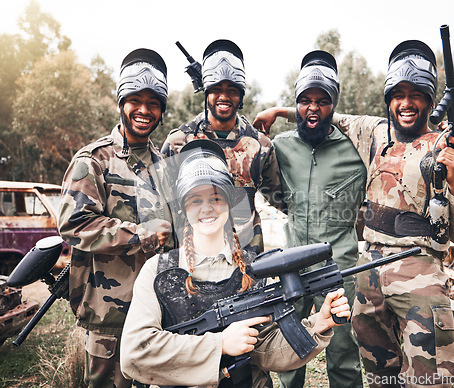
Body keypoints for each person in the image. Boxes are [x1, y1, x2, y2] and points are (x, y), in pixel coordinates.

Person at [254, 40, 454, 388]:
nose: (406, 103)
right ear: (388, 98)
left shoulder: (449, 150)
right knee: (378, 375)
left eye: (416, 93)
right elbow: (322, 111)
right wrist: (279, 111)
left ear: (431, 99)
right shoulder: (372, 132)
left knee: (431, 378)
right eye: (398, 94)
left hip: (419, 274)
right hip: (368, 276)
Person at [120, 139, 351, 387]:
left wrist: (319, 324)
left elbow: (267, 349)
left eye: (216, 198)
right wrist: (219, 345)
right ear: (183, 208)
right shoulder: (158, 271)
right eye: (195, 200)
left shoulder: (254, 269)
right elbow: (134, 353)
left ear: (230, 204)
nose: (207, 208)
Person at [58, 48, 175, 388]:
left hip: (157, 310)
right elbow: (73, 224)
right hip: (110, 316)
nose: (144, 110)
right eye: (135, 100)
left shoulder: (164, 164)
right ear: (122, 102)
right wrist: (139, 235)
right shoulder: (95, 160)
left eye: (153, 103)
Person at [258, 51, 366, 388]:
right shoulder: (280, 146)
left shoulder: (357, 148)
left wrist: (281, 111)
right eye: (304, 101)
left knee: (343, 355)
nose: (313, 108)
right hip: (291, 265)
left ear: (334, 104)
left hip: (338, 268)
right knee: (290, 348)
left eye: (323, 101)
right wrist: (280, 113)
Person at [161, 39, 282, 254]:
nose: (224, 96)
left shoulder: (261, 145)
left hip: (247, 259)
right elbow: (163, 209)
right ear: (205, 91)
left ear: (241, 95)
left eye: (232, 90)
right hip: (194, 259)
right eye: (216, 89)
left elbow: (282, 200)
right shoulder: (178, 143)